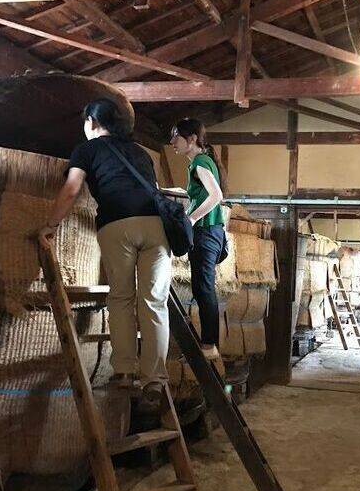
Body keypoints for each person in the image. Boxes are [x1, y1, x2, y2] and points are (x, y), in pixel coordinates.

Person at [40, 98, 171, 405]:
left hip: (118, 226)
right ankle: (154, 381)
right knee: (154, 302)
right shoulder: (140, 152)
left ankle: (124, 372)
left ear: (93, 123)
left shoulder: (87, 149)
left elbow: (72, 189)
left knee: (122, 299)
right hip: (157, 228)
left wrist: (51, 224)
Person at [169, 118, 225, 359]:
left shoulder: (200, 162)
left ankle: (209, 345)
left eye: (176, 136)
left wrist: (190, 219)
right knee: (201, 287)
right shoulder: (201, 163)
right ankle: (208, 344)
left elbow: (216, 196)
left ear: (191, 139)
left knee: (203, 287)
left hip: (206, 231)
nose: (172, 141)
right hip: (209, 232)